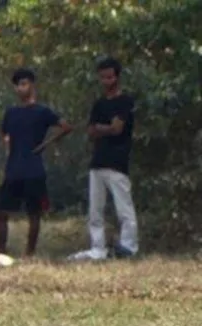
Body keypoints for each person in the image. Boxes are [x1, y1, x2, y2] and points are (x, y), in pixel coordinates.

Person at [0, 68, 72, 257]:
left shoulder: (42, 111)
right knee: (1, 211)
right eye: (17, 85)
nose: (20, 89)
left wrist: (45, 144)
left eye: (24, 84)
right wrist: (7, 146)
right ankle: (1, 249)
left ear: (32, 85)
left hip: (33, 169)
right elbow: (4, 133)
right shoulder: (11, 112)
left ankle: (29, 252)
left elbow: (66, 126)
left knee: (34, 212)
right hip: (13, 168)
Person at [71, 57, 138, 261]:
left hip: (117, 162)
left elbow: (118, 129)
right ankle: (97, 249)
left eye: (110, 77)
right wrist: (105, 128)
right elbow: (91, 131)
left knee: (124, 208)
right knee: (95, 210)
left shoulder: (125, 102)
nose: (106, 81)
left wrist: (103, 128)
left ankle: (129, 247)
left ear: (117, 77)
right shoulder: (99, 104)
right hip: (98, 161)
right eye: (103, 77)